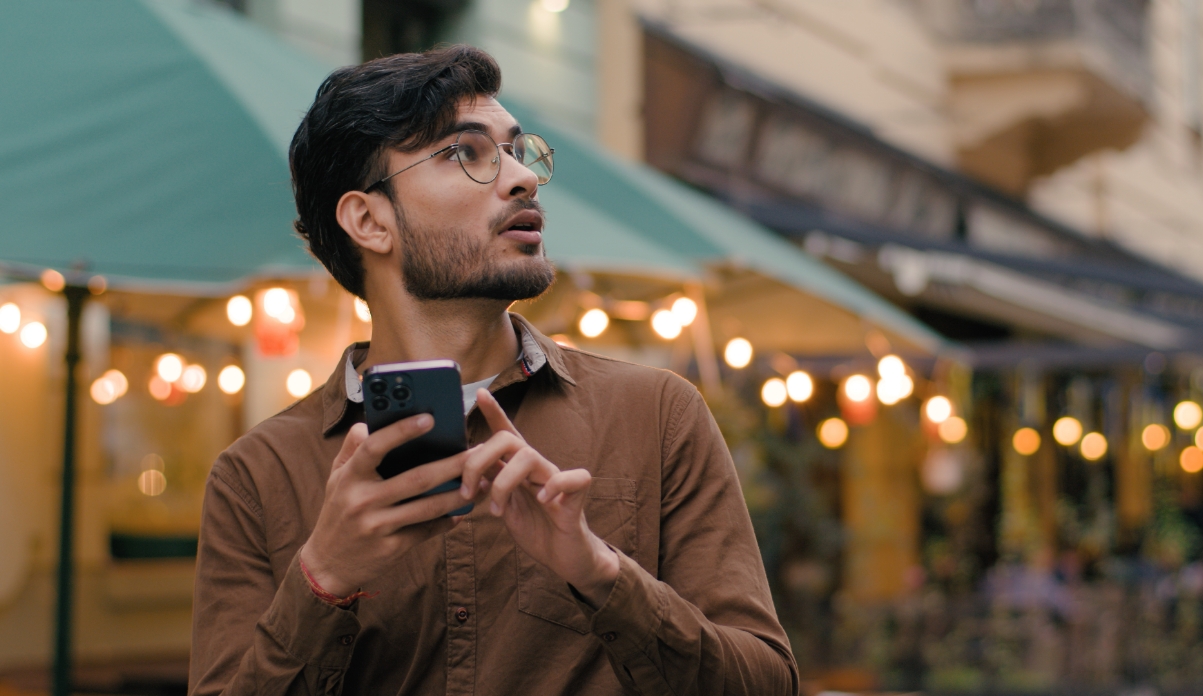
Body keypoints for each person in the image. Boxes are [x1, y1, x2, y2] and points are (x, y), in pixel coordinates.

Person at [188, 45, 798, 696]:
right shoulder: (255, 477)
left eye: (515, 150)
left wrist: (599, 573)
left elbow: (764, 684)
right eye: (464, 153)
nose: (520, 177)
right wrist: (324, 578)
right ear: (368, 220)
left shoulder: (656, 415)